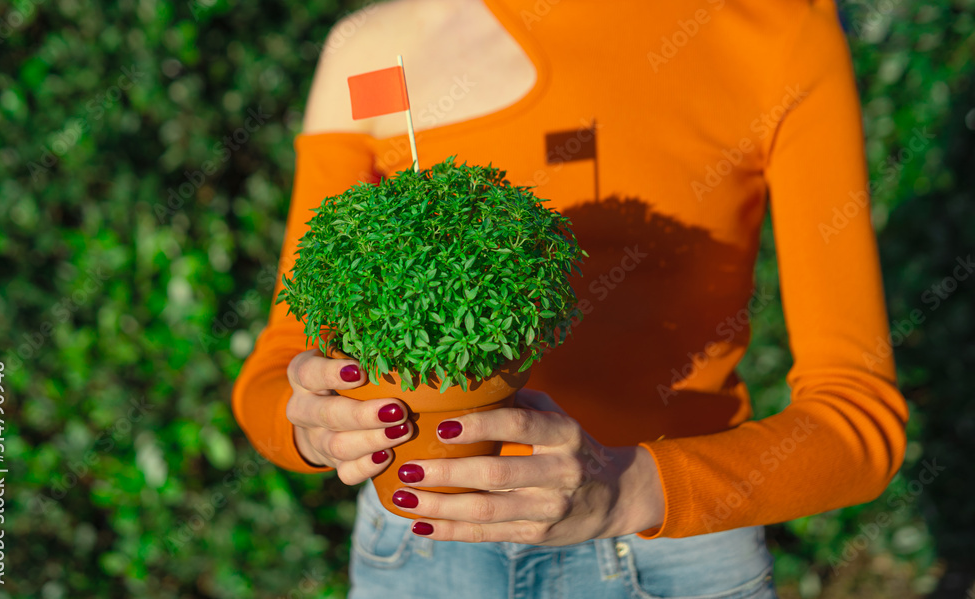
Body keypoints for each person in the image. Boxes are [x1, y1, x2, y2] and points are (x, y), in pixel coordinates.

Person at [232, 0, 908, 596]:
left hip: (671, 555)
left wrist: (632, 488)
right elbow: (281, 363)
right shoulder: (379, 49)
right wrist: (315, 424)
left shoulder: (776, 30)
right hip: (422, 547)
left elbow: (859, 425)